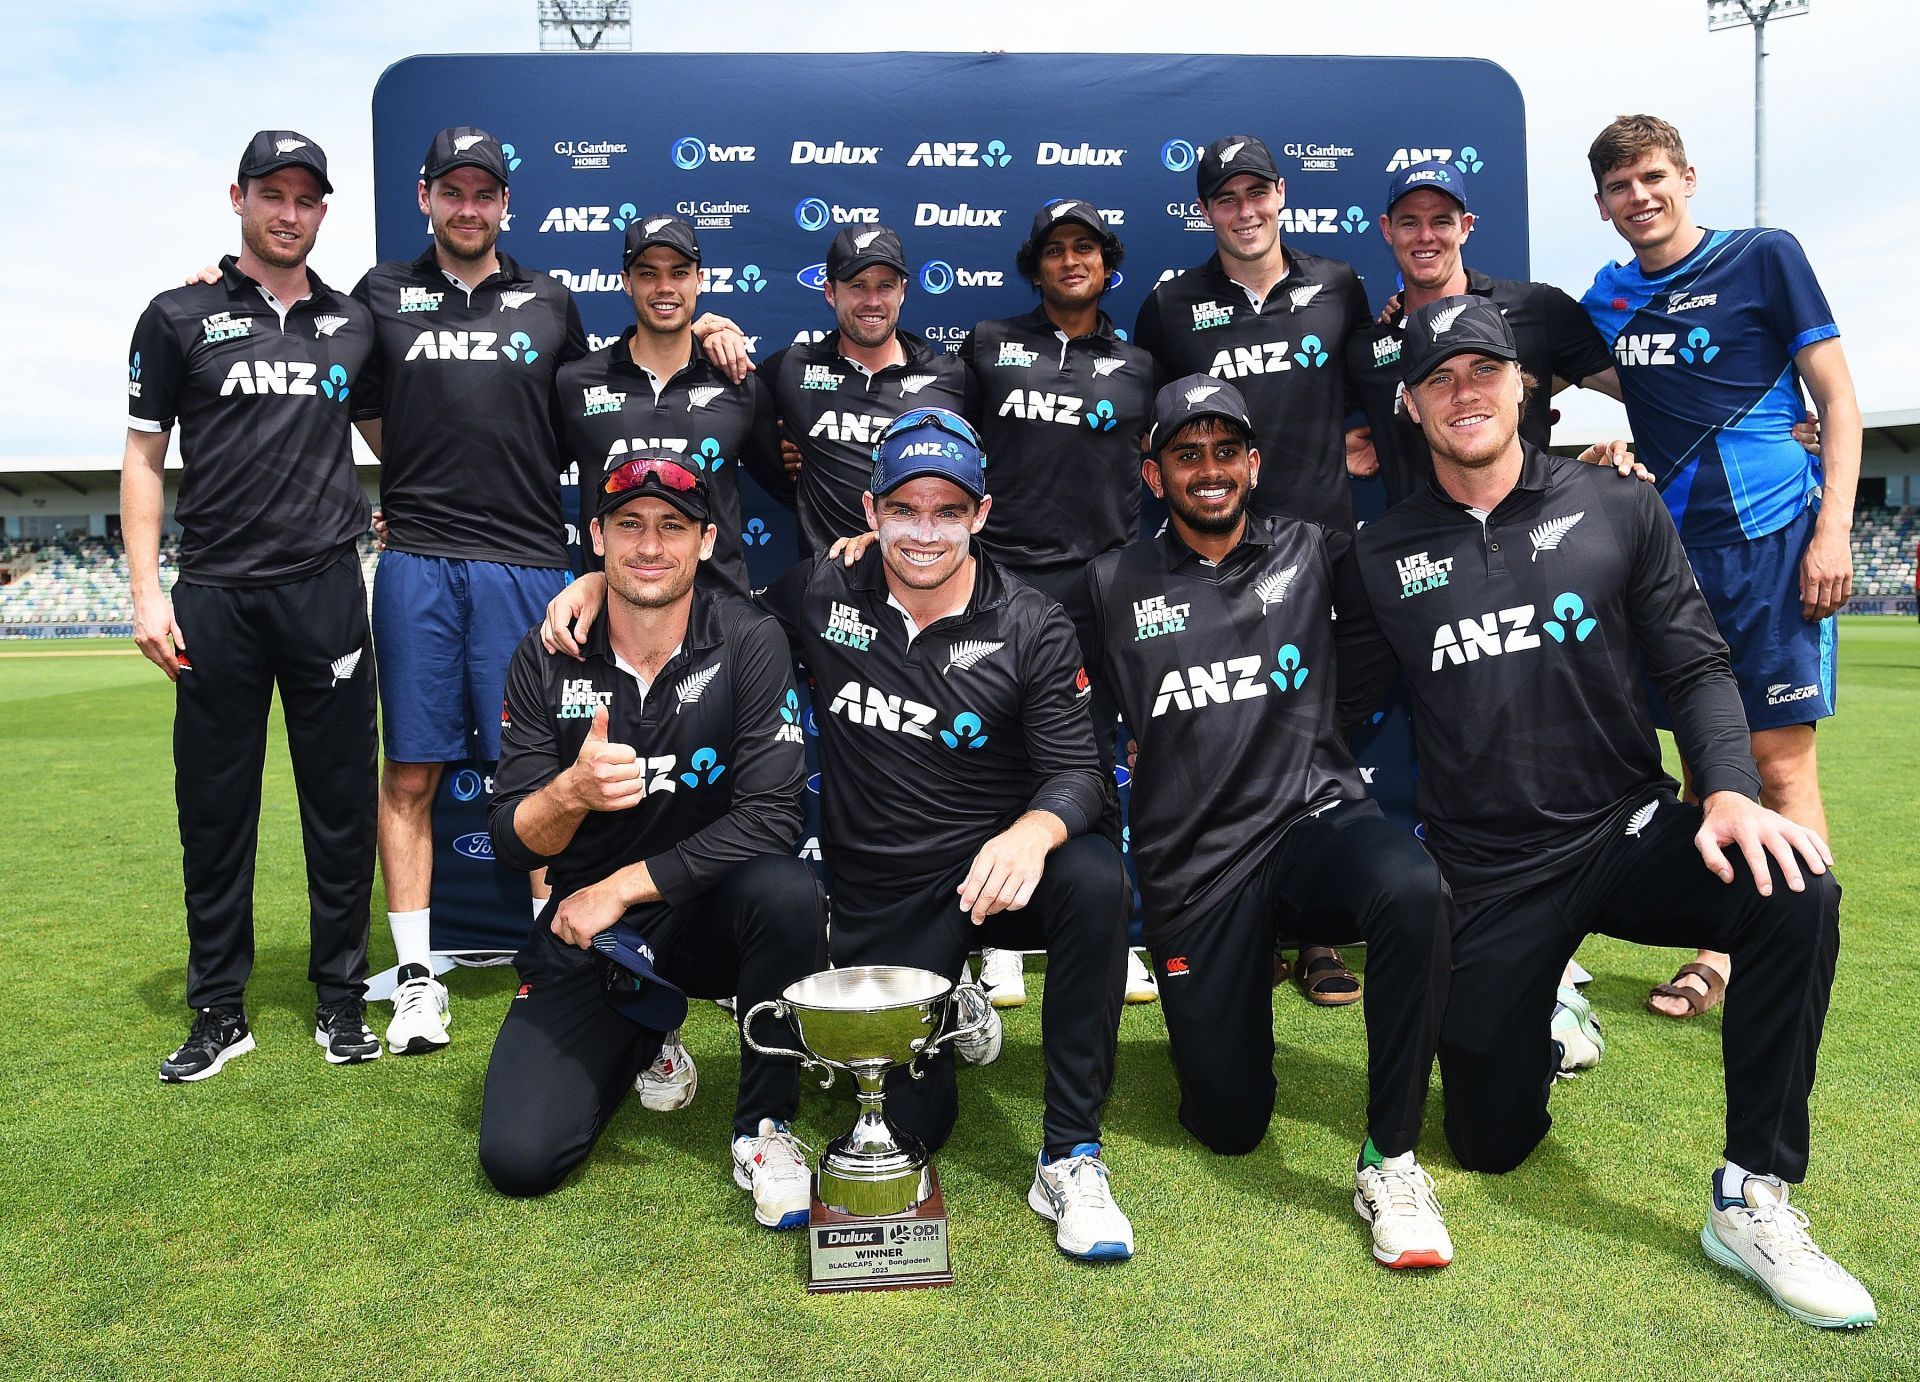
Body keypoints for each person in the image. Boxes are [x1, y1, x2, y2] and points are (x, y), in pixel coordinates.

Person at [1338, 296, 1872, 1329]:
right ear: (1408, 404)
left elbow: (1694, 658)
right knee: (1487, 1141)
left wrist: (1724, 789)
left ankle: (1754, 1196)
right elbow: (1339, 712)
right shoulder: (1379, 552)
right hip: (1487, 872)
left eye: (1483, 370)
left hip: (1624, 828)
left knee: (1796, 882)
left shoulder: (1617, 503)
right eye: (1438, 377)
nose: (1465, 392)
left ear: (1524, 383)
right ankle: (1541, 1024)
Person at [540, 411, 1136, 1261]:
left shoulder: (1031, 620)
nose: (924, 532)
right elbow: (690, 598)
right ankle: (948, 1000)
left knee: (1092, 875)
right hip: (890, 898)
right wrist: (599, 584)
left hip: (998, 880)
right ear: (871, 509)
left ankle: (1069, 1154)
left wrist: (1032, 833)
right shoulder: (820, 591)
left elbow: (1080, 772)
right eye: (904, 508)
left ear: (981, 514)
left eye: (946, 511)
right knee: (917, 1126)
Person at [1088, 376, 1456, 1268]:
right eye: (1186, 454)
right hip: (1194, 866)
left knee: (1411, 886)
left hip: (1309, 823)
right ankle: (1222, 1013)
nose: (1207, 471)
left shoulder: (1317, 551)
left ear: (1254, 464)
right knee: (1228, 1125)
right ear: (1153, 474)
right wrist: (866, 551)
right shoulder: (1109, 581)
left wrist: (1584, 465)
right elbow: (1003, 623)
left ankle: (1392, 1160)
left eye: (1225, 452)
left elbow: (1447, 533)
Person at [478, 454, 827, 1227]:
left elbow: (775, 817)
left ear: (705, 542)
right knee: (519, 1160)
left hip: (709, 913)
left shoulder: (748, 638)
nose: (649, 547)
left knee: (787, 892)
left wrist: (620, 886)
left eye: (673, 528)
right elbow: (509, 840)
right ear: (596, 536)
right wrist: (570, 791)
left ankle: (764, 1128)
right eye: (629, 525)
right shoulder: (546, 653)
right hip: (597, 939)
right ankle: (644, 1031)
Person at [1580, 114, 1863, 1023]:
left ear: (1689, 177)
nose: (1641, 197)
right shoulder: (1608, 302)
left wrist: (1836, 531)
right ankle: (1722, 948)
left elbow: (1839, 400)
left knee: (1780, 764)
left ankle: (1788, 957)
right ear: (1602, 203)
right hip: (1675, 560)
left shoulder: (1764, 256)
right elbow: (1581, 384)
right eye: (1622, 186)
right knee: (1705, 764)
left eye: (1655, 177)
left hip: (1778, 540)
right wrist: (1601, 455)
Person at [126, 130, 381, 1079]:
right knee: (217, 809)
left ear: (323, 211)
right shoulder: (177, 312)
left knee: (340, 806)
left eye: (305, 198)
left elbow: (408, 433)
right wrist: (147, 591)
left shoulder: (354, 323)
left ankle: (342, 999)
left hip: (325, 592)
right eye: (271, 193)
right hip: (216, 599)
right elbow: (145, 455)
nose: (288, 212)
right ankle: (218, 1009)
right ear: (238, 198)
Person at [348, 127, 588, 1055]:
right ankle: (415, 979)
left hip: (527, 563)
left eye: (485, 192)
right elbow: (355, 397)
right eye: (453, 190)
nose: (468, 206)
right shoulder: (381, 294)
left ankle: (556, 953)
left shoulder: (551, 302)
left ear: (505, 204)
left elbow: (596, 408)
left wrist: (711, 329)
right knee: (410, 771)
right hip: (416, 558)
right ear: (425, 197)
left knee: (540, 774)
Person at [1132, 134, 1373, 1003]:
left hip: (1319, 556)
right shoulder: (1170, 305)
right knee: (1232, 737)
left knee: (1315, 737)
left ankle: (1312, 931)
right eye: (1225, 198)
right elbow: (1148, 420)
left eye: (1257, 192)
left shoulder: (1341, 284)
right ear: (1205, 211)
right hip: (1214, 561)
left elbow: (1385, 390)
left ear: (1281, 193)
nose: (1245, 210)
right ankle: (1243, 916)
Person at [962, 198, 1161, 1008]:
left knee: (1094, 754)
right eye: (1055, 249)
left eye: (1085, 247)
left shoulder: (1141, 363)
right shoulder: (987, 345)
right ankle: (999, 939)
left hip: (1103, 583)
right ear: (1035, 264)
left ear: (1106, 262)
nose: (1070, 260)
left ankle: (1109, 932)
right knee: (996, 751)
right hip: (1002, 579)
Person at [1344, 160, 1621, 506]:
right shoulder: (1367, 346)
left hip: (1533, 536)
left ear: (1465, 226)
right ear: (1388, 230)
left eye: (1441, 221)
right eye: (1409, 223)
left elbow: (1639, 388)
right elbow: (1301, 416)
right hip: (1418, 549)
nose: (1425, 236)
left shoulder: (1538, 308)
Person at [761, 225, 970, 559]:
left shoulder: (951, 376)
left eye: (884, 286)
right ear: (831, 292)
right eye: (857, 285)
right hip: (830, 584)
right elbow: (735, 410)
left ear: (902, 291)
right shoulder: (790, 369)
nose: (872, 301)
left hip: (925, 577)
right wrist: (706, 334)